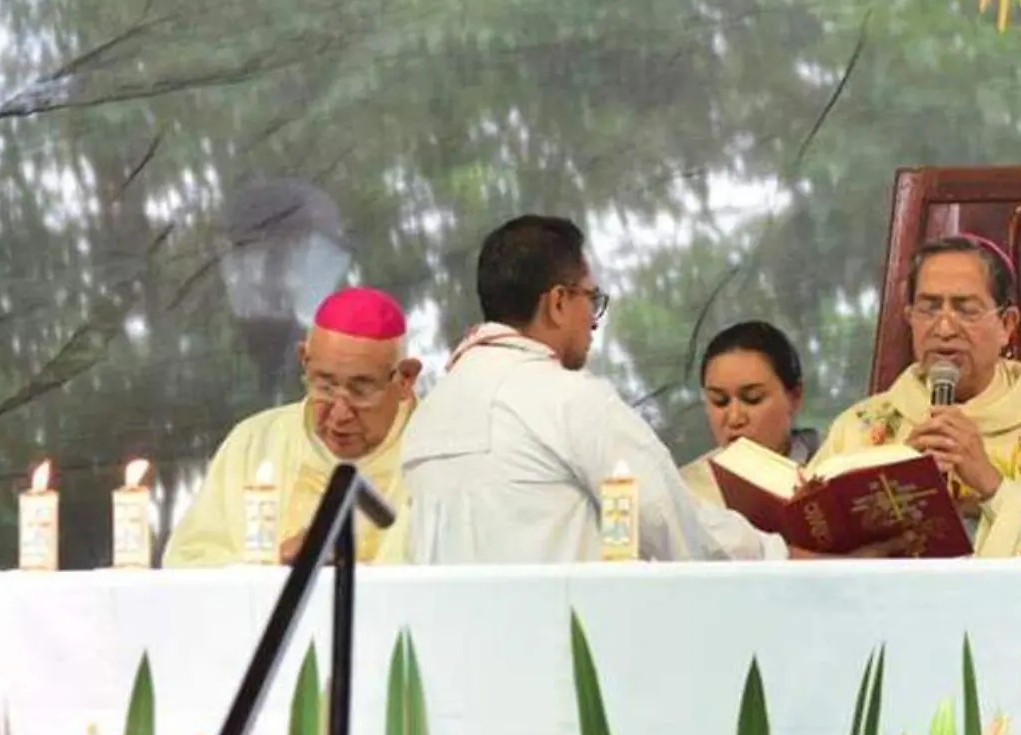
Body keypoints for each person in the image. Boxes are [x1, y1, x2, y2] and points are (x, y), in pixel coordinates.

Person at [400, 216, 863, 563]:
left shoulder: (428, 415)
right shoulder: (570, 399)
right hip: (563, 664)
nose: (593, 322)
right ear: (559, 302)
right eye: (591, 299)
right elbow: (671, 528)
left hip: (456, 673)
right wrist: (789, 558)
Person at [810, 233, 1021, 557]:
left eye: (966, 310)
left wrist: (993, 487)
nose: (945, 328)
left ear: (1006, 325)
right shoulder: (860, 428)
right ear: (909, 319)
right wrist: (892, 486)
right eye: (929, 308)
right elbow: (803, 547)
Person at [165, 286, 421, 567]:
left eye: (360, 391)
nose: (340, 413)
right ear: (304, 360)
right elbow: (187, 561)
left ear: (405, 379)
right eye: (324, 385)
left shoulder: (433, 454)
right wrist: (275, 564)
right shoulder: (253, 444)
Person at [680, 320, 821, 508]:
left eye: (752, 398)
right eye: (719, 401)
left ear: (795, 396)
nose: (735, 418)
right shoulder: (685, 493)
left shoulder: (835, 463)